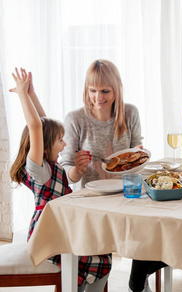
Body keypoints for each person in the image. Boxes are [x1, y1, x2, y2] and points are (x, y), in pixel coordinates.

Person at [59, 59, 165, 292]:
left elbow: (139, 153)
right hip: (92, 202)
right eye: (92, 90)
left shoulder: (130, 113)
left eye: (105, 91)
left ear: (117, 89)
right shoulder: (75, 119)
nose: (98, 97)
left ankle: (137, 281)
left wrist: (139, 156)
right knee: (99, 259)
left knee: (155, 231)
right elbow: (68, 175)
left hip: (127, 196)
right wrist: (77, 168)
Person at [9, 68, 110, 291]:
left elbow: (43, 123)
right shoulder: (39, 170)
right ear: (45, 145)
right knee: (101, 261)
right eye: (60, 141)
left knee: (103, 253)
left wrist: (33, 95)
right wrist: (22, 94)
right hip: (48, 235)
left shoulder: (50, 162)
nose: (65, 145)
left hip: (61, 227)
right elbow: (37, 127)